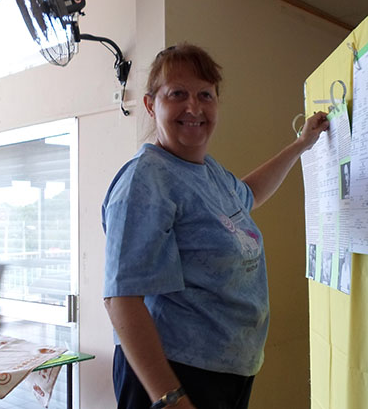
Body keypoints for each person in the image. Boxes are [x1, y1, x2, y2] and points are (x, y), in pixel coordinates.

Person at [102, 43, 329, 409]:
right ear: (151, 105)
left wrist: (302, 145)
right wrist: (170, 399)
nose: (194, 107)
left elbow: (248, 195)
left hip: (225, 371)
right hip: (174, 375)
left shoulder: (208, 172)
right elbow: (121, 300)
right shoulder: (145, 181)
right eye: (177, 94)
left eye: (205, 95)